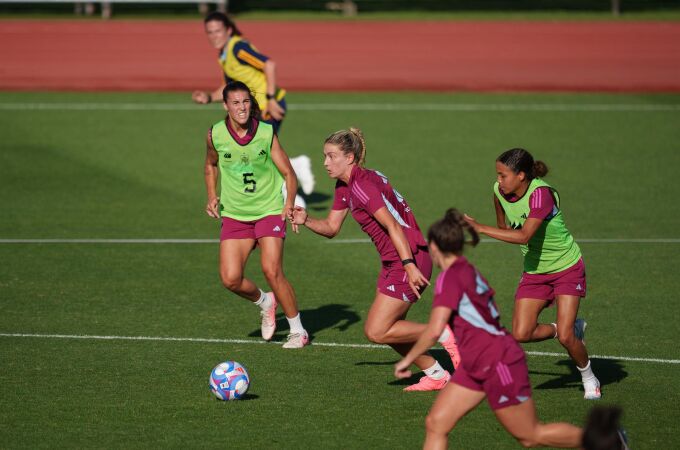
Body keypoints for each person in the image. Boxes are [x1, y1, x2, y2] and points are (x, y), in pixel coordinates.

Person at [394, 208, 586, 449]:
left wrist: (407, 359)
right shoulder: (466, 269)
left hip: (498, 363)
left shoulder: (450, 278)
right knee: (436, 422)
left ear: (434, 247)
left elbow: (434, 329)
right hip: (475, 363)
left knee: (529, 435)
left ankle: (605, 440)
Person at [289, 127, 460, 390]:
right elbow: (332, 228)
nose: (325, 162)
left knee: (377, 331)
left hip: (407, 258)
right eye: (324, 156)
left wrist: (409, 265)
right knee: (389, 329)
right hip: (395, 261)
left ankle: (442, 330)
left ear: (350, 157)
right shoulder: (347, 185)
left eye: (331, 156)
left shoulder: (362, 187)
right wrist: (306, 219)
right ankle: (436, 374)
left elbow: (392, 226)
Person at [463, 148, 601, 399]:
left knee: (568, 339)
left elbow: (524, 235)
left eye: (504, 175)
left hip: (566, 267)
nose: (499, 181)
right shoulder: (499, 191)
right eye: (497, 175)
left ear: (522, 175)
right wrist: (482, 230)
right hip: (535, 270)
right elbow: (505, 228)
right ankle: (563, 328)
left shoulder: (541, 195)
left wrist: (480, 228)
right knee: (521, 333)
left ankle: (589, 377)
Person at [204, 81, 309, 349]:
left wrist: (289, 203)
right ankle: (265, 301)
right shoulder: (215, 134)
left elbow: (288, 172)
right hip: (235, 215)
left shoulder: (265, 132)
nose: (242, 107)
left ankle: (298, 331)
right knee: (230, 278)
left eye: (246, 102)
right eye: (236, 103)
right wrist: (211, 195)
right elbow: (210, 165)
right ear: (225, 106)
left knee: (271, 269)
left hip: (269, 210)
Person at [192, 12, 315, 202]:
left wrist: (271, 98)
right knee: (258, 153)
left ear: (228, 30)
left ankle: (289, 191)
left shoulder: (238, 48)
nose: (214, 36)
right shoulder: (224, 55)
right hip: (255, 109)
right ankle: (297, 167)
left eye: (218, 31)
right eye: (210, 32)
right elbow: (230, 87)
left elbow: (269, 64)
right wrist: (208, 97)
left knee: (258, 153)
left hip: (268, 107)